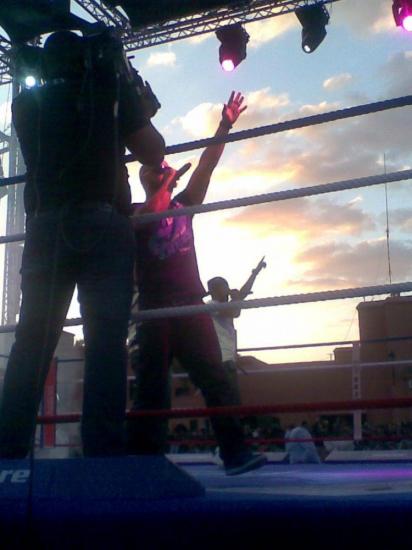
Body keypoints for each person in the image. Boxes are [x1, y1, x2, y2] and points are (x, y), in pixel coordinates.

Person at [0, 30, 166, 458]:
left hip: (45, 227)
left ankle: (7, 452)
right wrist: (125, 81)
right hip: (103, 223)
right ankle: (102, 453)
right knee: (106, 341)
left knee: (32, 340)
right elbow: (153, 151)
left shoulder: (25, 104)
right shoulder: (108, 90)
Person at [129, 91, 267, 476]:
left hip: (190, 304)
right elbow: (144, 219)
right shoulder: (136, 213)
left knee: (215, 378)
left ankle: (235, 452)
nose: (161, 169)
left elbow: (207, 165)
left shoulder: (184, 205)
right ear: (146, 179)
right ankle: (144, 463)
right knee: (151, 389)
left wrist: (225, 125)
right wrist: (162, 188)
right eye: (154, 169)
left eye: (163, 167)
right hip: (154, 310)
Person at [206, 257, 266, 388]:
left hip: (228, 359)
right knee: (228, 396)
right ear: (215, 291)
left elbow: (242, 293)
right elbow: (234, 312)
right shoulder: (211, 305)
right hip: (221, 360)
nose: (227, 290)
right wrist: (237, 298)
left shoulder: (226, 304)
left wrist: (255, 273)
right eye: (223, 288)